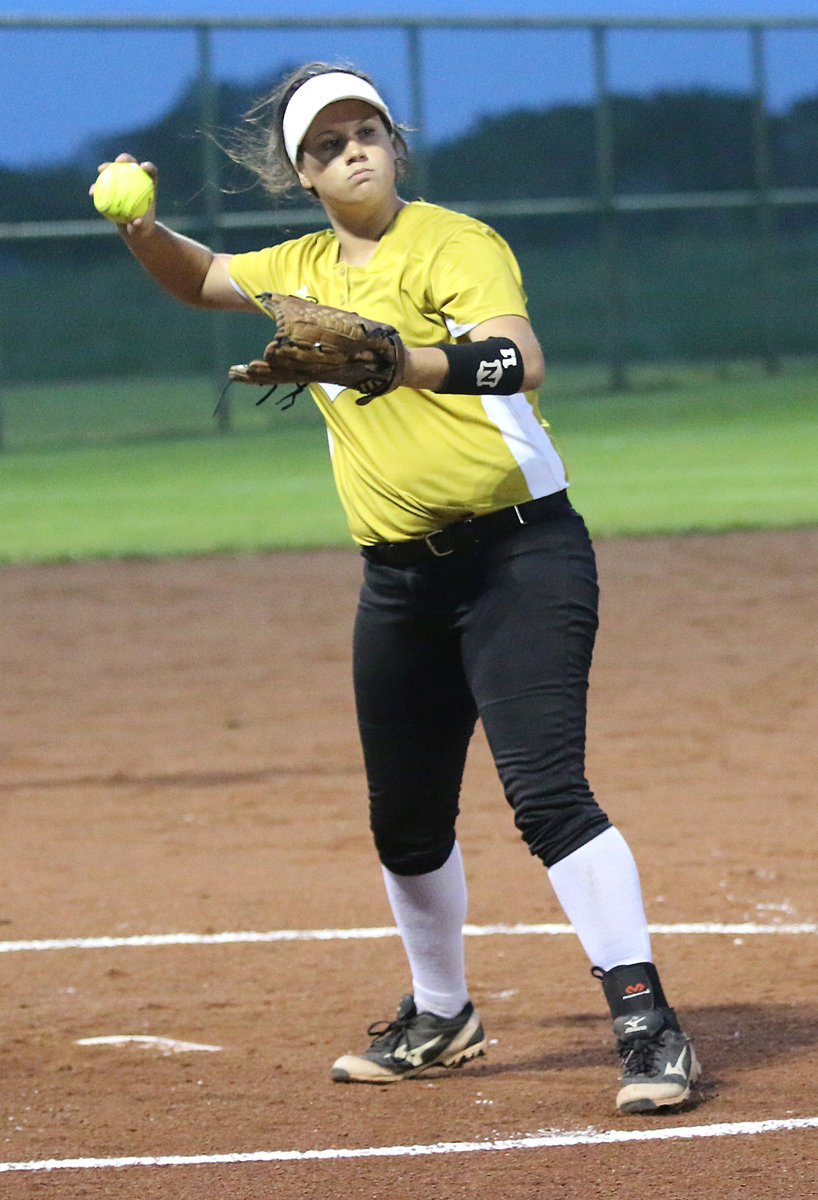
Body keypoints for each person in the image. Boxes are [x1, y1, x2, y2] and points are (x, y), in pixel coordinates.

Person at [94, 61, 699, 1114]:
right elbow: (201, 279)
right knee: (404, 822)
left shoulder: (452, 242)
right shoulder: (295, 266)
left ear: (393, 142)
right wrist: (139, 228)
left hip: (519, 556)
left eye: (363, 130)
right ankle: (440, 1013)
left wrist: (395, 359)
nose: (350, 150)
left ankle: (646, 1024)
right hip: (398, 583)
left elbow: (517, 360)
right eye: (324, 145)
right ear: (302, 174)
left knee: (547, 796)